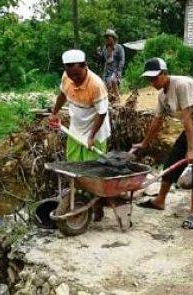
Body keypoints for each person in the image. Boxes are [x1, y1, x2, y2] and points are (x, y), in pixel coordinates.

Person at [131, 57, 193, 229]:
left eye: (155, 78)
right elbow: (157, 121)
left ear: (164, 73)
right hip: (191, 127)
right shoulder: (162, 95)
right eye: (149, 79)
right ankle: (160, 201)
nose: (152, 82)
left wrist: (191, 150)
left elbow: (187, 118)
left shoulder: (181, 85)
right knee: (171, 161)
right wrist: (144, 143)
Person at [47, 49, 111, 221]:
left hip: (95, 132)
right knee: (74, 169)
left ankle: (98, 208)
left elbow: (102, 113)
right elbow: (62, 95)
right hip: (76, 129)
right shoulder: (67, 77)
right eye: (71, 75)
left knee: (93, 173)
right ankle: (79, 201)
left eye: (77, 75)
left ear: (85, 66)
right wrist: (54, 112)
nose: (74, 79)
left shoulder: (96, 85)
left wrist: (91, 136)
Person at [98, 29, 125, 102]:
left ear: (113, 38)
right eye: (106, 38)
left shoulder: (119, 47)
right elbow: (102, 62)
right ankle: (109, 100)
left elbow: (122, 60)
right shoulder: (104, 48)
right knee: (104, 85)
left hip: (116, 70)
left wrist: (119, 71)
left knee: (113, 81)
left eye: (108, 37)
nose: (107, 39)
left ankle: (117, 98)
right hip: (107, 71)